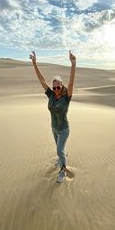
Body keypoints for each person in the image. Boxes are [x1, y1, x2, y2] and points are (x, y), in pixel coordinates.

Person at [29, 50, 76, 183]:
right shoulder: (50, 95)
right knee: (59, 150)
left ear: (62, 86)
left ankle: (63, 170)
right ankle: (62, 157)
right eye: (54, 87)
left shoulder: (66, 98)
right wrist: (34, 63)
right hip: (54, 128)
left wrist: (73, 64)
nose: (55, 89)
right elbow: (42, 80)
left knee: (59, 150)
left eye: (58, 87)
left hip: (64, 129)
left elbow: (72, 83)